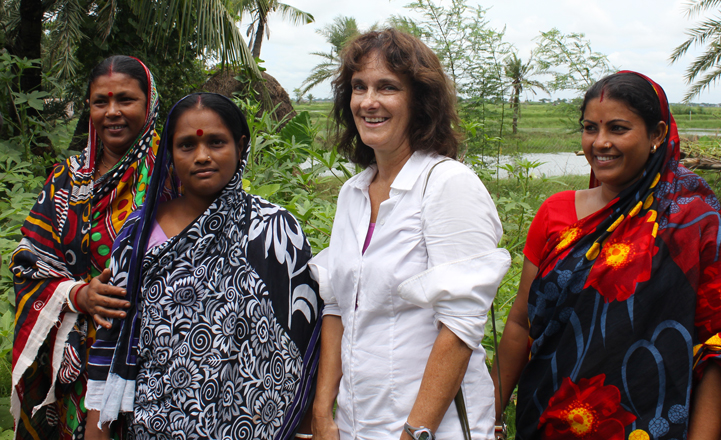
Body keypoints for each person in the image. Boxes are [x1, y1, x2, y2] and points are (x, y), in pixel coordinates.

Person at [492, 71, 721, 440]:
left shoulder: (692, 220)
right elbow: (522, 325)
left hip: (654, 426)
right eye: (590, 128)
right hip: (547, 421)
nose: (600, 143)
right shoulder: (556, 213)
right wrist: (487, 412)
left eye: (617, 128)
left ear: (657, 135)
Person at [310, 28, 511, 440]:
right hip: (356, 426)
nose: (369, 102)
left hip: (433, 430)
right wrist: (323, 414)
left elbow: (459, 327)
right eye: (358, 87)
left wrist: (414, 432)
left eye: (388, 87)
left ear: (419, 100)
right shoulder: (353, 193)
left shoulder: (447, 185)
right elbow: (337, 307)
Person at [84, 93, 321, 440]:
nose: (202, 157)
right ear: (170, 153)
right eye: (185, 146)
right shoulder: (139, 234)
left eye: (216, 142)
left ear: (241, 146)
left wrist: (305, 427)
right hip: (156, 424)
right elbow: (112, 340)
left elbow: (303, 343)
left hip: (258, 425)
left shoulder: (275, 231)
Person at [10, 55, 160, 439]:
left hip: (157, 357)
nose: (112, 112)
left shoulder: (173, 172)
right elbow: (28, 263)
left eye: (126, 100)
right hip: (78, 360)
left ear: (149, 104)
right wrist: (78, 294)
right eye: (100, 102)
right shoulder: (67, 179)